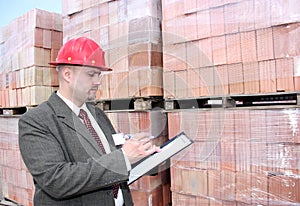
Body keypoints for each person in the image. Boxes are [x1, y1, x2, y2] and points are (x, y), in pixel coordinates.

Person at [18, 37, 161, 206]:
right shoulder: (36, 121)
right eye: (91, 74)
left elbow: (112, 159)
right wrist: (123, 158)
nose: (98, 81)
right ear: (67, 75)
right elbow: (56, 180)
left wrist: (142, 154)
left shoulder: (97, 115)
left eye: (99, 74)